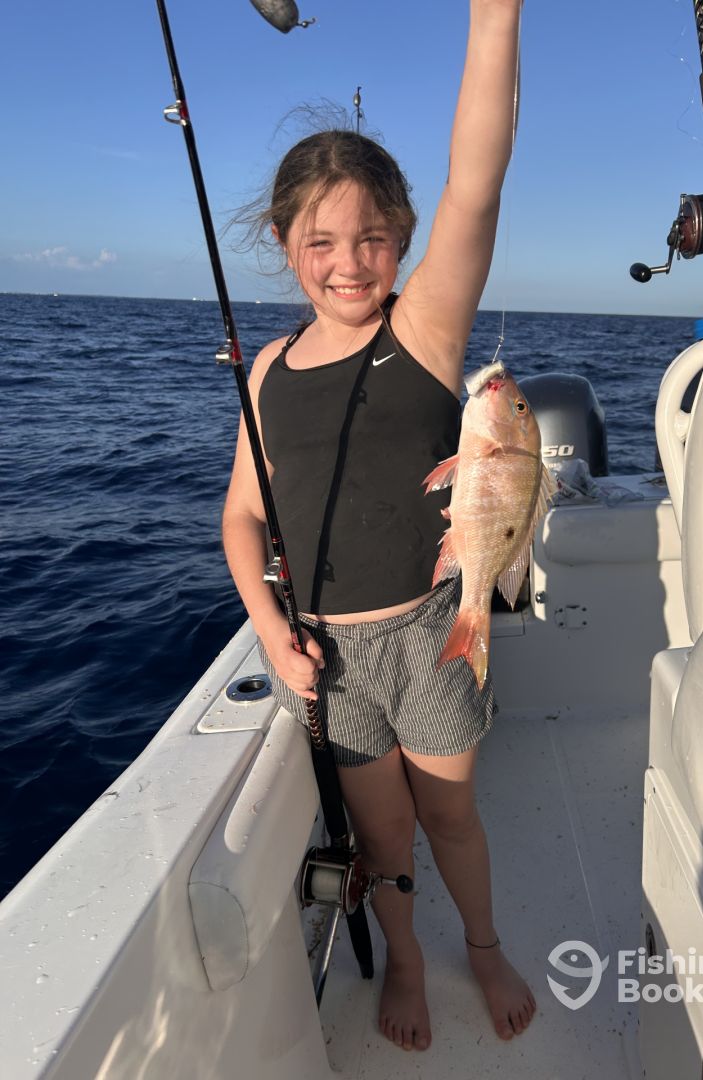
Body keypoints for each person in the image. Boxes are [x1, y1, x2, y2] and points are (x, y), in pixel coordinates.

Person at [222, 0, 536, 1053]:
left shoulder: (427, 329)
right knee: (385, 834)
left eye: (371, 238)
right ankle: (405, 955)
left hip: (433, 631)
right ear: (284, 245)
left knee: (451, 817)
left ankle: (482, 945)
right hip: (331, 657)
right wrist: (271, 630)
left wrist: (494, 19)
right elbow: (241, 515)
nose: (347, 261)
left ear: (403, 238)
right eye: (319, 241)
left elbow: (476, 178)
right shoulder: (267, 371)